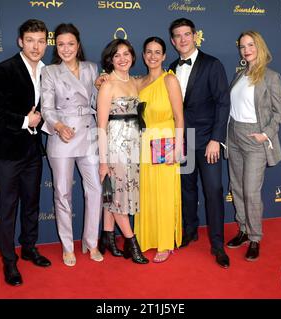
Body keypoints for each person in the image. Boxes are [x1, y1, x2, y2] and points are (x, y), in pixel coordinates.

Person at [0, 19, 51, 286]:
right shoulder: (3, 70)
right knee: (8, 207)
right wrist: (24, 121)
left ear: (46, 43)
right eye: (30, 40)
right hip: (7, 152)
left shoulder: (49, 71)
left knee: (32, 203)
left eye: (41, 41)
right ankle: (9, 261)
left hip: (33, 150)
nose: (36, 46)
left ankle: (29, 247)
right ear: (20, 41)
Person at [168, 18, 231, 268]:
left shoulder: (212, 64)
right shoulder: (171, 68)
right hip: (183, 141)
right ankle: (190, 231)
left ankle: (217, 244)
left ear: (195, 36)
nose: (183, 39)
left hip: (207, 142)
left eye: (187, 34)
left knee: (214, 191)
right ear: (173, 41)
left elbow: (223, 103)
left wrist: (217, 138)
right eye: (178, 36)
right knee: (187, 190)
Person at [40, 23, 103, 267]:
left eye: (71, 43)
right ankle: (68, 246)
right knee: (63, 193)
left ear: (78, 45)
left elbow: (97, 103)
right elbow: (46, 107)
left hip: (88, 134)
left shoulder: (91, 68)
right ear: (56, 46)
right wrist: (58, 126)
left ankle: (92, 241)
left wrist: (102, 86)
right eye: (61, 44)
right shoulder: (50, 72)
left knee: (95, 189)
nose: (66, 48)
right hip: (61, 136)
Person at [225, 31, 281, 261]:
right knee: (237, 188)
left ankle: (255, 237)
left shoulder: (271, 77)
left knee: (251, 191)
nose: (246, 49)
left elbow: (279, 114)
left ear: (260, 46)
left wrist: (265, 135)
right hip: (234, 135)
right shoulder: (239, 75)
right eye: (242, 46)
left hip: (255, 139)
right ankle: (242, 229)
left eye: (251, 45)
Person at [97, 39, 148, 264]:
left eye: (126, 54)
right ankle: (131, 242)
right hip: (115, 147)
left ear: (133, 56)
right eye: (117, 55)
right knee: (118, 194)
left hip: (134, 146)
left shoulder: (135, 83)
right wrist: (103, 161)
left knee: (115, 192)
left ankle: (108, 237)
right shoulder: (107, 85)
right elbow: (100, 126)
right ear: (110, 59)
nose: (123, 59)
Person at [133, 37, 184, 263]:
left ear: (164, 56)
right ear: (143, 56)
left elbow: (179, 116)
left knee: (163, 193)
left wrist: (179, 147)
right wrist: (101, 79)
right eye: (148, 52)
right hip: (143, 141)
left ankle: (164, 242)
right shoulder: (138, 83)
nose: (153, 56)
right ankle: (144, 238)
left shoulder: (169, 80)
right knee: (145, 192)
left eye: (157, 52)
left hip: (165, 140)